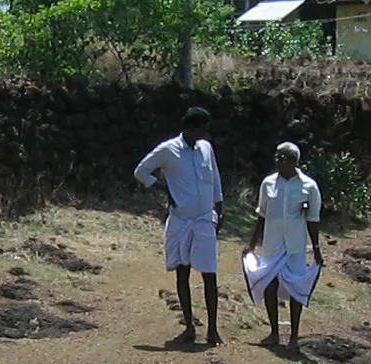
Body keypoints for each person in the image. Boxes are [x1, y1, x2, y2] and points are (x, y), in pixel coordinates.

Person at [134, 105, 223, 345]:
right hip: (181, 220)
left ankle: (213, 330)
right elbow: (141, 171)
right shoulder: (168, 149)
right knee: (182, 272)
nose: (203, 134)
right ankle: (189, 327)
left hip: (205, 219)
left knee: (209, 274)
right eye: (200, 129)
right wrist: (165, 190)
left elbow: (214, 178)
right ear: (189, 127)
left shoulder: (206, 148)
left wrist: (220, 207)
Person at [243, 141, 324, 347]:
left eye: (281, 158)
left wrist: (316, 249)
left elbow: (312, 220)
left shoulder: (309, 186)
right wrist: (252, 244)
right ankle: (274, 333)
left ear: (292, 161)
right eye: (277, 157)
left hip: (295, 246)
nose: (277, 161)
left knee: (295, 288)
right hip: (272, 243)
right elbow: (261, 215)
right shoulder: (268, 183)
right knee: (270, 285)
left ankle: (294, 336)